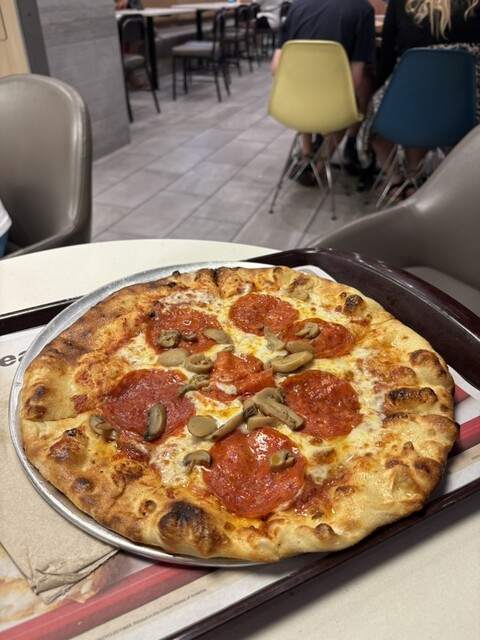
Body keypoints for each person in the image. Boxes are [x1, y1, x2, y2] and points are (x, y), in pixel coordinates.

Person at [366, 0, 480, 197]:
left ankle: (397, 180)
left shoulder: (402, 4)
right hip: (464, 113)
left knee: (373, 118)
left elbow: (386, 56)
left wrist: (375, 89)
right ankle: (430, 178)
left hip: (412, 103)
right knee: (432, 98)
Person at [271, 0, 377, 186]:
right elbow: (355, 81)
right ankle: (319, 164)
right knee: (352, 103)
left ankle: (306, 152)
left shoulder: (298, 6)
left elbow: (275, 68)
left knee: (306, 84)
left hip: (291, 105)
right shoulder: (362, 9)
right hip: (334, 110)